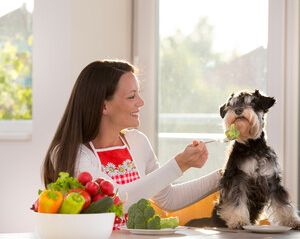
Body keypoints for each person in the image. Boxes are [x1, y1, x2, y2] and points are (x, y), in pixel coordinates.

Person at [42, 59, 221, 229]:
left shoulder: (138, 142)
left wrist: (225, 175)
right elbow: (116, 201)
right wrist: (180, 164)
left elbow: (169, 199)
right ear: (104, 106)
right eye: (131, 96)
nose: (141, 102)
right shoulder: (72, 153)